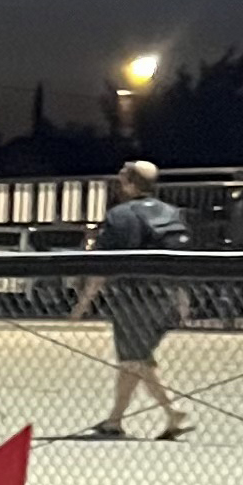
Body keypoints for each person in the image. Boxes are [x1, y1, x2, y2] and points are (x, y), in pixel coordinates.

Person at [75, 159, 192, 436]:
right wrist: (182, 298)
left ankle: (167, 414)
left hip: (133, 300)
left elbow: (103, 267)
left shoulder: (120, 216)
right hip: (166, 297)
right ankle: (123, 419)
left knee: (132, 360)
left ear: (128, 183)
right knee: (138, 359)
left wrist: (83, 302)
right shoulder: (172, 213)